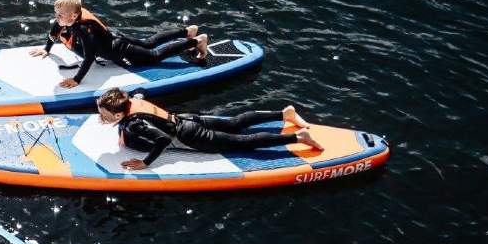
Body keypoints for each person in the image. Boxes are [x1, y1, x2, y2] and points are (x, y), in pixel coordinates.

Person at [96, 88, 325, 170]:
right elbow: (140, 92)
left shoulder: (133, 123)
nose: (100, 117)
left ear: (118, 114)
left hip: (191, 135)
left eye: (104, 114)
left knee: (242, 142)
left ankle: (298, 137)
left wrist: (145, 163)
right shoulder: (131, 100)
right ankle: (285, 113)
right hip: (186, 119)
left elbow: (163, 140)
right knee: (235, 122)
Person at [30, 0, 210, 89]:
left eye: (61, 15)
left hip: (120, 49)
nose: (57, 17)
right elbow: (55, 30)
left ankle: (196, 41)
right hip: (117, 38)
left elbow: (90, 57)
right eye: (57, 13)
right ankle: (187, 31)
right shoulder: (66, 19)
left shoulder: (83, 29)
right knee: (148, 42)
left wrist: (77, 80)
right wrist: (46, 49)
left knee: (153, 55)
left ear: (74, 15)